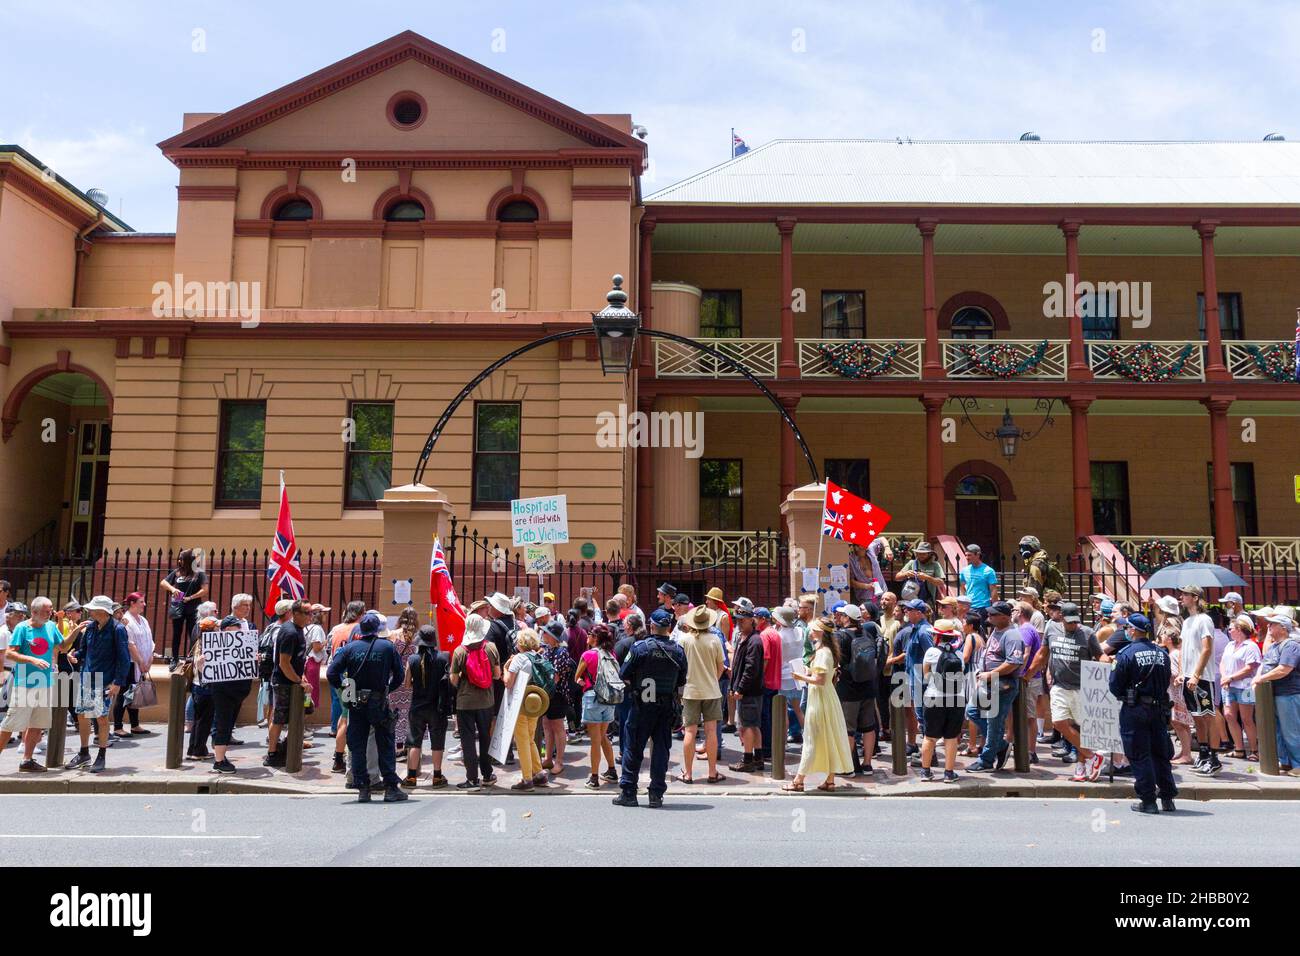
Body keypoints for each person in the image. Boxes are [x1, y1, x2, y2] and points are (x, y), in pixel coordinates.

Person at [326, 611, 407, 802]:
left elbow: (332, 673)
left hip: (357, 702)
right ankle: (390, 787)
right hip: (378, 701)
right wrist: (387, 689)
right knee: (385, 743)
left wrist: (345, 688)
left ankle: (363, 787)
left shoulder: (349, 648)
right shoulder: (387, 647)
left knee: (358, 745)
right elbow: (400, 675)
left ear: (361, 629)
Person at [614, 611, 687, 807]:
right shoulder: (678, 651)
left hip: (642, 704)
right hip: (665, 707)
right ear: (668, 627)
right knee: (661, 750)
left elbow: (623, 672)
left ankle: (629, 792)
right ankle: (656, 794)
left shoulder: (640, 648)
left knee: (633, 748)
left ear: (651, 626)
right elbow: (681, 680)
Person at [1109, 613, 1177, 813]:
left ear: (1133, 630)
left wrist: (1129, 696)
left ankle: (1148, 801)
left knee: (1139, 755)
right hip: (1158, 709)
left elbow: (1114, 686)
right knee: (1160, 754)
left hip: (1136, 709)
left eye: (1127, 628)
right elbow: (1166, 681)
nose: (1126, 632)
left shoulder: (1126, 654)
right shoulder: (1162, 653)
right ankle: (1167, 798)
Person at [0, 597, 77, 772]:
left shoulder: (50, 626)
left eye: (50, 610)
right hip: (25, 682)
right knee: (10, 724)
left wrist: (76, 631)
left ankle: (27, 761)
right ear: (34, 612)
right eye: (46, 611)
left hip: (45, 681)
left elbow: (63, 647)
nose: (50, 613)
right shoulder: (22, 628)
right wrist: (32, 659)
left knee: (37, 723)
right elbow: (11, 654)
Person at [785, 619, 854, 792]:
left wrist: (801, 677)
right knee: (827, 738)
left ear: (821, 632)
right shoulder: (826, 651)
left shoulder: (823, 652)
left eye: (813, 628)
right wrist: (808, 672)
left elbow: (820, 680)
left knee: (812, 740)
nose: (810, 631)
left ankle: (798, 781)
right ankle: (830, 781)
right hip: (825, 698)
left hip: (820, 699)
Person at [68, 595, 131, 773]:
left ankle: (101, 755)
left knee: (101, 717)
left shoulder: (118, 629)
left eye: (92, 609)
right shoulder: (91, 628)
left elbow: (124, 659)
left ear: (102, 611)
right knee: (83, 715)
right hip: (88, 677)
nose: (89, 611)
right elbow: (84, 650)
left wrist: (117, 682)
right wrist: (76, 656)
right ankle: (84, 752)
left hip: (105, 680)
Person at [1044, 601, 1105, 781]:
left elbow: (1099, 654)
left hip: (1081, 686)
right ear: (1061, 618)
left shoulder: (1087, 633)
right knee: (1058, 722)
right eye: (1069, 621)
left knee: (1080, 728)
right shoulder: (1051, 630)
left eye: (1075, 621)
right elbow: (1043, 653)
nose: (1073, 625)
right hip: (1059, 685)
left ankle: (1081, 765)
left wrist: (1106, 661)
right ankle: (1093, 756)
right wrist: (1029, 672)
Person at [966, 601, 1024, 773]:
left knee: (994, 722)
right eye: (989, 614)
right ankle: (1001, 745)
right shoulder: (996, 631)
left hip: (1002, 684)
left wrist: (990, 675)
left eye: (993, 614)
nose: (989, 616)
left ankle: (986, 760)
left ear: (1005, 617)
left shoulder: (1012, 635)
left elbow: (1014, 662)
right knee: (972, 711)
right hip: (987, 683)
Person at [448, 614, 500, 790]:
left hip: (465, 702)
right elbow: (497, 675)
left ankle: (472, 779)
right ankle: (487, 774)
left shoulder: (460, 651)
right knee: (485, 737)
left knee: (467, 740)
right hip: (486, 701)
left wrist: (463, 676)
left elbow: (454, 680)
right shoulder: (491, 648)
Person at [675, 606, 725, 784]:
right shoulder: (714, 640)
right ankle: (712, 772)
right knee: (711, 732)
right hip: (711, 690)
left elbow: (679, 667)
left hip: (690, 691)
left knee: (690, 731)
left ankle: (688, 773)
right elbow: (721, 667)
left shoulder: (684, 640)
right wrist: (713, 679)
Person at [199, 615, 253, 774]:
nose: (239, 631)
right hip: (223, 691)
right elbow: (204, 669)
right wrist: (202, 662)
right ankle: (219, 762)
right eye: (235, 628)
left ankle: (220, 756)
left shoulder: (242, 644)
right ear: (226, 630)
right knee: (223, 724)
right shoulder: (213, 646)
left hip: (238, 692)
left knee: (228, 725)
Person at [1177, 585, 1222, 776]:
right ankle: (1203, 753)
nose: (1182, 597)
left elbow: (1207, 649)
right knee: (1197, 716)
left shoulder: (1205, 620)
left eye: (1185, 594)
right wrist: (1182, 672)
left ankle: (1214, 758)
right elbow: (1182, 649)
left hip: (1203, 677)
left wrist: (1196, 674)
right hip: (1188, 676)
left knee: (1208, 716)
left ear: (1195, 598)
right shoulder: (1187, 621)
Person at [263, 600, 311, 768]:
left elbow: (297, 660)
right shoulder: (289, 632)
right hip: (283, 682)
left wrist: (302, 677)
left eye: (311, 612)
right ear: (295, 613)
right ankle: (272, 753)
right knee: (279, 718)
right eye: (307, 613)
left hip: (294, 681)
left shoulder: (299, 630)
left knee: (304, 710)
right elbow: (284, 663)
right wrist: (299, 681)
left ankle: (285, 746)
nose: (310, 616)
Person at [402, 625, 452, 789]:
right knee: (438, 742)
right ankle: (437, 776)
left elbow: (407, 684)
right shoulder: (444, 657)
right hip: (437, 707)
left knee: (414, 742)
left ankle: (411, 777)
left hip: (417, 706)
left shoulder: (412, 659)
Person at [832, 603, 878, 776]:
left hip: (848, 688)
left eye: (842, 615)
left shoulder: (840, 636)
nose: (839, 617)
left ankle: (847, 767)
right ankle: (867, 765)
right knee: (868, 728)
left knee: (848, 730)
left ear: (846, 618)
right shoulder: (867, 633)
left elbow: (836, 661)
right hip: (868, 686)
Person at [1253, 610, 1300, 775]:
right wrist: (1258, 678)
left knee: (1291, 730)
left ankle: (1298, 764)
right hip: (1273, 694)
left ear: (1283, 628)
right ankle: (1287, 762)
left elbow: (1284, 669)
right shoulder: (1273, 646)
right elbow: (1264, 665)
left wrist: (1260, 679)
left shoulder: (1291, 645)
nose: (1268, 626)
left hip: (1288, 694)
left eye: (1272, 624)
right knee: (1278, 730)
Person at [573, 623, 619, 789]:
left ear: (594, 638)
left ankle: (594, 778)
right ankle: (612, 771)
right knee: (603, 736)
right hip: (609, 698)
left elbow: (576, 677)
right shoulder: (611, 653)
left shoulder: (588, 655)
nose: (587, 637)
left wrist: (582, 682)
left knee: (595, 740)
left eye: (589, 634)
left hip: (593, 697)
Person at [919, 617, 965, 782]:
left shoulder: (931, 652)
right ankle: (949, 773)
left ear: (936, 636)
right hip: (956, 700)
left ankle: (925, 771)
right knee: (951, 737)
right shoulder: (959, 654)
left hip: (934, 697)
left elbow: (925, 675)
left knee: (930, 737)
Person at [504, 629, 550, 791]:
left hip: (520, 703)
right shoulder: (538, 656)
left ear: (521, 643)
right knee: (529, 738)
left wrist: (505, 668)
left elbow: (508, 683)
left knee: (522, 741)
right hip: (535, 702)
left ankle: (527, 779)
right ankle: (539, 773)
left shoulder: (519, 658)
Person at [728, 602, 766, 773]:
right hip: (750, 691)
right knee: (754, 725)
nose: (739, 623)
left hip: (749, 692)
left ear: (752, 620)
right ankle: (758, 758)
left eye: (743, 620)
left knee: (748, 725)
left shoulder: (754, 641)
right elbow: (738, 665)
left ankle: (748, 760)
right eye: (738, 620)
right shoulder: (746, 638)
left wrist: (740, 689)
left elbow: (751, 669)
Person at [113, 591, 155, 739]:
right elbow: (130, 644)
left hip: (142, 663)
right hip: (130, 664)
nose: (144, 604)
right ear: (132, 603)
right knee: (124, 693)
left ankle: (135, 725)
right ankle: (118, 727)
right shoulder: (126, 620)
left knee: (134, 694)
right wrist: (140, 661)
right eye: (141, 602)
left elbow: (150, 640)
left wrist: (149, 659)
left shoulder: (143, 620)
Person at [1220, 615, 1261, 761]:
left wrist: (1230, 678)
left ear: (1239, 629)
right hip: (1229, 686)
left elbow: (1250, 667)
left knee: (1246, 719)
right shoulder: (1230, 645)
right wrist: (1225, 677)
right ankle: (1239, 748)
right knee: (1229, 715)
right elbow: (1223, 662)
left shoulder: (1251, 646)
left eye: (1231, 628)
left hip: (1244, 687)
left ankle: (1255, 750)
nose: (1229, 631)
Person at [539, 619, 574, 777]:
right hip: (548, 694)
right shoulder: (547, 649)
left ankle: (559, 761)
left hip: (558, 695)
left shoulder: (561, 652)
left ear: (553, 635)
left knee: (558, 727)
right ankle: (548, 758)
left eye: (546, 631)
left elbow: (555, 678)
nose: (543, 633)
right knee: (546, 724)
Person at [160, 548, 207, 663]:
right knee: (177, 633)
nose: (179, 561)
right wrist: (173, 589)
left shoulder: (199, 573)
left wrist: (191, 597)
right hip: (178, 608)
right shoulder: (177, 572)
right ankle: (174, 659)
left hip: (193, 607)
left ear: (188, 560)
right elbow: (163, 582)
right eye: (179, 559)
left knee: (193, 633)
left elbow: (205, 589)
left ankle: (192, 658)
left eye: (182, 559)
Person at [388, 607, 419, 755]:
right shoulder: (417, 637)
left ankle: (396, 745)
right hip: (409, 680)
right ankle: (405, 745)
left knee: (394, 713)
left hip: (394, 678)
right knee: (406, 714)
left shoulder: (392, 635)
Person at [774, 605, 806, 745]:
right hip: (798, 672)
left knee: (783, 712)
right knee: (799, 709)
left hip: (784, 674)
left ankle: (782, 743)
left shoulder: (779, 635)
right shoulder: (800, 631)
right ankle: (808, 740)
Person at [303, 604, 330, 713]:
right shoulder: (317, 628)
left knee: (307, 691)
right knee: (310, 692)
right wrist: (325, 642)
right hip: (312, 663)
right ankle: (304, 717)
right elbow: (316, 648)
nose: (326, 616)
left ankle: (303, 716)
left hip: (307, 662)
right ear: (318, 615)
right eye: (324, 613)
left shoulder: (307, 627)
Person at [959, 543, 999, 611]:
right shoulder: (964, 571)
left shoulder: (988, 571)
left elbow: (993, 590)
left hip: (983, 607)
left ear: (977, 555)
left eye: (969, 555)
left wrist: (995, 608)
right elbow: (962, 587)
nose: (967, 558)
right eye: (966, 555)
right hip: (969, 607)